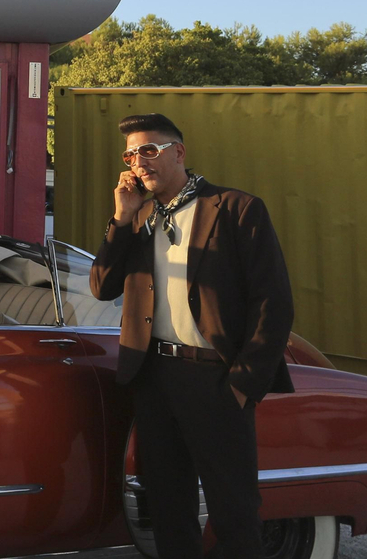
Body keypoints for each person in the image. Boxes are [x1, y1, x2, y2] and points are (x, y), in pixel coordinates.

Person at [90, 113, 294, 559]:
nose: (138, 161)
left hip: (216, 380)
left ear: (178, 152)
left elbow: (273, 304)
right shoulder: (139, 213)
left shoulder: (237, 208)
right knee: (168, 507)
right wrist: (120, 218)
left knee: (234, 512)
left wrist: (242, 385)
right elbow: (102, 286)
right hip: (155, 378)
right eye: (130, 153)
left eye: (149, 150)